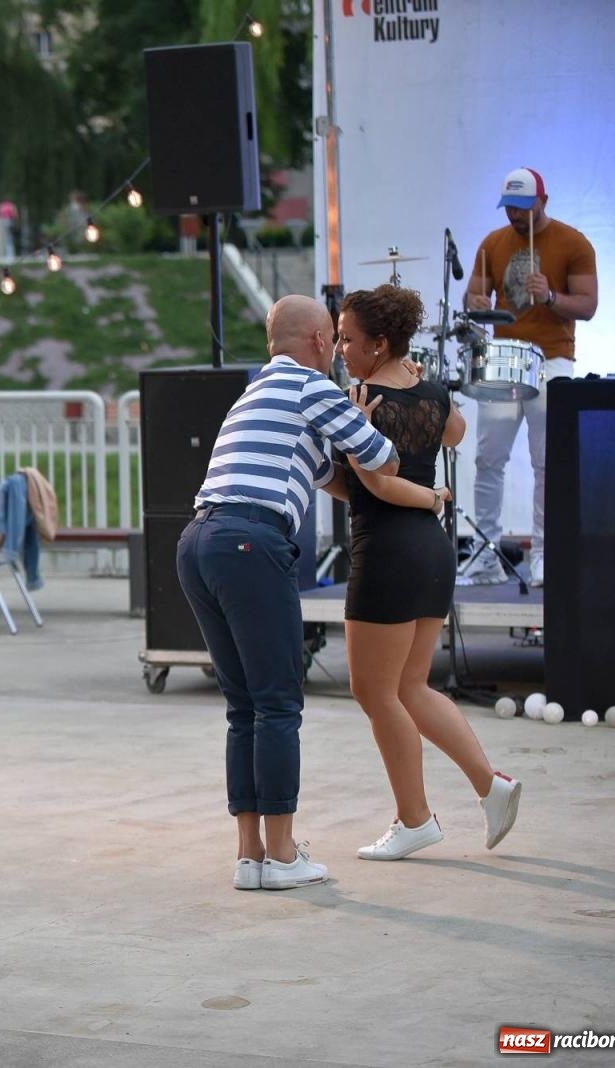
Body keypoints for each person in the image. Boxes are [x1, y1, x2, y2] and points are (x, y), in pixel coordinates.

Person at [175, 294, 398, 892]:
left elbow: (330, 478)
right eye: (338, 342)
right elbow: (383, 458)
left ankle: (250, 857)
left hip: (198, 542)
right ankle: (282, 855)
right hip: (250, 543)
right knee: (279, 704)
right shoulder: (313, 387)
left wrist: (342, 450)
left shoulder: (255, 392)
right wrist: (364, 423)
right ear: (322, 342)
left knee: (244, 706)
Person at [331, 285, 522, 861]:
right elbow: (455, 432)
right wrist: (420, 388)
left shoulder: (359, 396)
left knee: (373, 691)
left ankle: (415, 819)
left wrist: (431, 496)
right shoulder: (433, 392)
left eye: (348, 339)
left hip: (388, 551)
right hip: (432, 554)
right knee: (410, 686)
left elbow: (373, 482)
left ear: (379, 343)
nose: (340, 348)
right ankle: (493, 786)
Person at [462, 167, 597, 588]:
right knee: (489, 458)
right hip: (504, 356)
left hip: (553, 357)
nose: (515, 217)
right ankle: (486, 553)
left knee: (547, 462)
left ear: (543, 201)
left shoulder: (574, 243)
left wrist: (551, 297)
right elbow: (471, 296)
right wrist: (476, 300)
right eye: (510, 208)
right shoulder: (492, 244)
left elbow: (589, 306)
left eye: (523, 208)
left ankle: (544, 556)